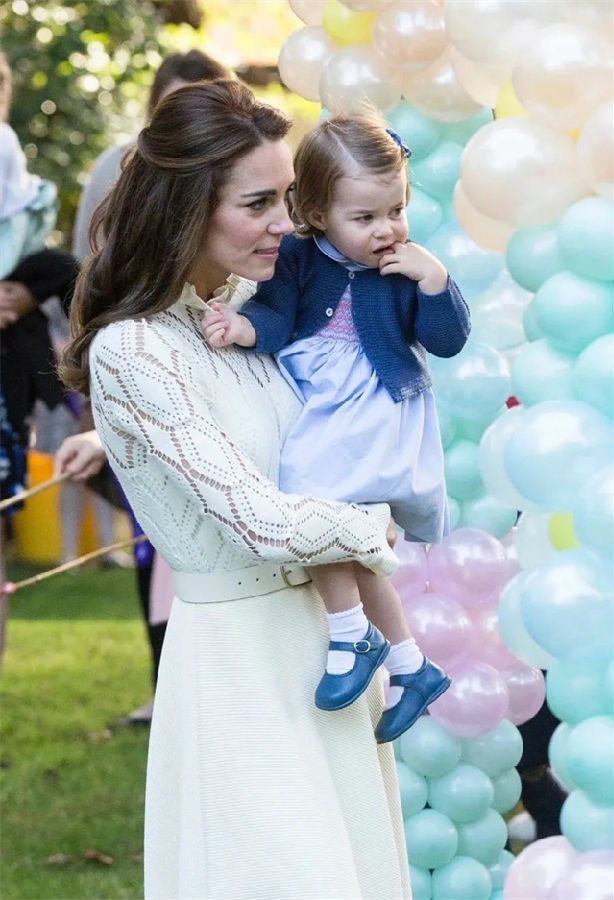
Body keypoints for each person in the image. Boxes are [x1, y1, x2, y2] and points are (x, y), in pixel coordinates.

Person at [60, 80, 411, 900]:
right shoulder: (133, 351)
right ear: (187, 207)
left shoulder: (259, 316)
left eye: (288, 197)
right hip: (240, 663)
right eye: (258, 203)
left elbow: (346, 437)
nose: (286, 224)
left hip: (326, 641)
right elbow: (257, 519)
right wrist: (368, 531)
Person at [202, 113, 470, 742]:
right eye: (366, 218)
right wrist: (245, 330)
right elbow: (275, 315)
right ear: (316, 214)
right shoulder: (296, 256)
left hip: (375, 411)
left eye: (395, 210)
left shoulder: (403, 265)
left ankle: (350, 639)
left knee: (314, 502)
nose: (386, 231)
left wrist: (435, 283)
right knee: (351, 547)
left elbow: (447, 341)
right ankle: (410, 664)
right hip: (325, 403)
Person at [69, 49, 232, 725]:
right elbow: (92, 258)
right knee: (155, 542)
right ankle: (165, 677)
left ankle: (198, 680)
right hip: (140, 358)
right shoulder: (119, 166)